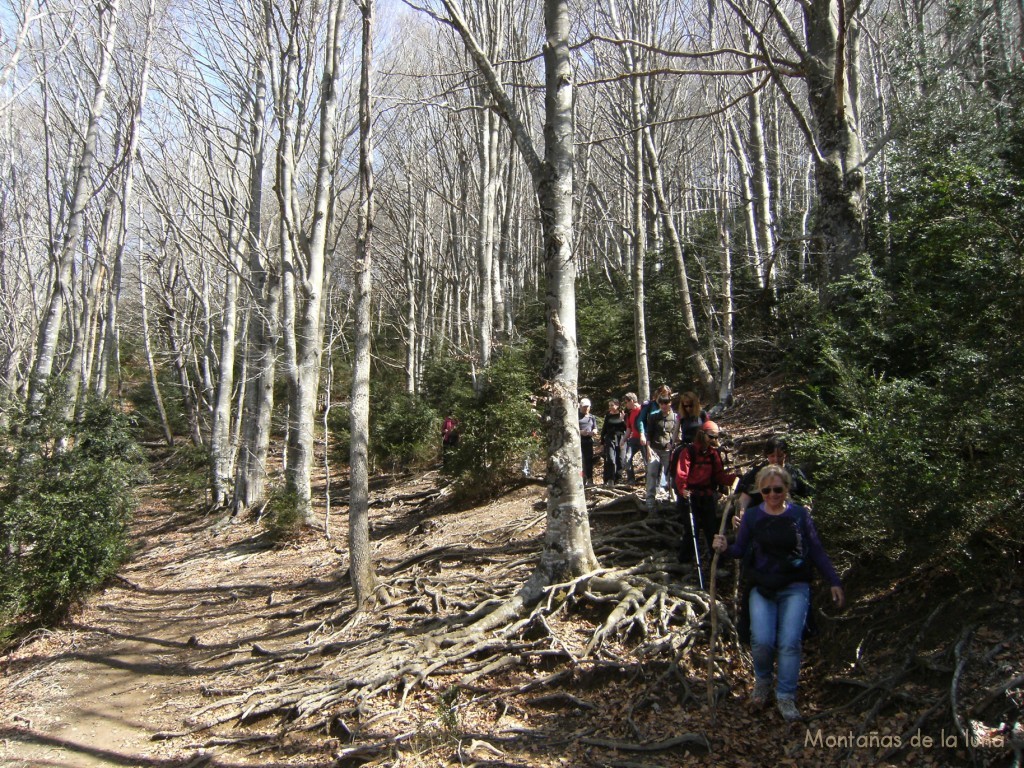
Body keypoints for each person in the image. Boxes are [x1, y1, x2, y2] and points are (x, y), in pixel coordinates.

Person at [712, 465, 844, 722]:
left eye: (777, 489)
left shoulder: (799, 515)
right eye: (766, 490)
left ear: (786, 489)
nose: (772, 494)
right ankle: (762, 681)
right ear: (760, 490)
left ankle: (785, 695)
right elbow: (740, 550)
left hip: (795, 586)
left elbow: (816, 550)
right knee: (761, 641)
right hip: (762, 586)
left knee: (789, 641)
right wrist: (725, 547)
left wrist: (834, 581)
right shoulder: (752, 517)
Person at [675, 420, 735, 562]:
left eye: (716, 437)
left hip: (707, 496)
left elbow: (719, 476)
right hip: (690, 496)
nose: (714, 440)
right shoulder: (688, 452)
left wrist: (735, 479)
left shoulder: (713, 454)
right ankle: (685, 560)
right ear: (702, 434)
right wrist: (683, 489)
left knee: (712, 529)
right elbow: (681, 473)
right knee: (691, 530)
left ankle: (717, 560)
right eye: (711, 436)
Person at [734, 437, 813, 528]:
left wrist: (806, 511)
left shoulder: (795, 474)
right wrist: (740, 515)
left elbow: (807, 497)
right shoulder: (756, 474)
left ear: (785, 454)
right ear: (767, 456)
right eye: (772, 456)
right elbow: (744, 500)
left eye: (780, 456)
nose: (776, 460)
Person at [644, 392, 678, 512]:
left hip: (668, 450)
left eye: (666, 403)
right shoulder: (654, 416)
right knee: (652, 473)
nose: (664, 406)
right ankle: (650, 499)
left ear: (670, 403)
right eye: (661, 403)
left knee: (671, 474)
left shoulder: (675, 417)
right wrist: (648, 449)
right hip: (654, 449)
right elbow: (649, 434)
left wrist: (673, 443)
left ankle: (673, 497)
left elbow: (677, 432)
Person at [600, 399, 627, 487]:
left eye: (612, 405)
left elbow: (627, 428)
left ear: (617, 405)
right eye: (610, 405)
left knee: (621, 459)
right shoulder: (608, 416)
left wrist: (622, 420)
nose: (611, 407)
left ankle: (618, 479)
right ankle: (610, 479)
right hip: (610, 439)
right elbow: (604, 429)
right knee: (610, 459)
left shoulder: (622, 414)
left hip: (621, 439)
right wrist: (602, 442)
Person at [621, 393, 643, 483]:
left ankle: (651, 481)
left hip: (643, 439)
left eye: (627, 402)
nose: (626, 405)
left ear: (632, 401)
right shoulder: (629, 414)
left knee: (647, 461)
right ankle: (631, 480)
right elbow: (629, 429)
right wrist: (623, 439)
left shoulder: (642, 410)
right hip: (633, 439)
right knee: (627, 458)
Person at [578, 398, 597, 486]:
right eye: (584, 407)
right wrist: (580, 432)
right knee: (580, 461)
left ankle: (589, 479)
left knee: (589, 461)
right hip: (578, 442)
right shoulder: (576, 416)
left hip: (588, 441)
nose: (586, 409)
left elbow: (595, 427)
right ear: (580, 407)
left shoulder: (592, 417)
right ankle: (581, 478)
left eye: (587, 407)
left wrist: (594, 431)